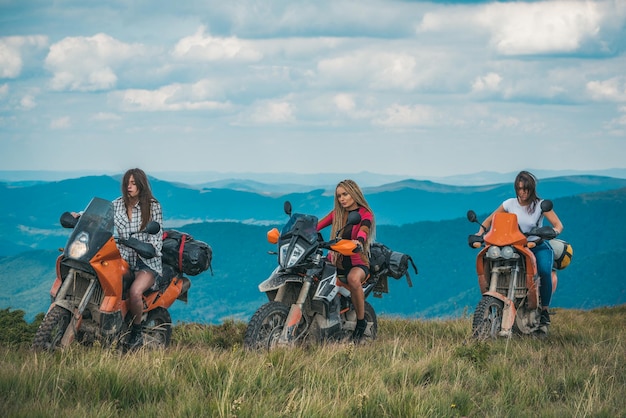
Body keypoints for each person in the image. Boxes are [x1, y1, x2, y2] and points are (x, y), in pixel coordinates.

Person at [72, 168, 163, 349]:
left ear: (141, 184)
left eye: (134, 183)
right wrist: (80, 216)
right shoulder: (118, 204)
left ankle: (136, 332)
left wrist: (140, 246)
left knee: (135, 292)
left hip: (146, 262)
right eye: (127, 183)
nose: (129, 187)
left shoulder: (153, 206)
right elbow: (100, 216)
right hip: (121, 258)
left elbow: (156, 242)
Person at [475, 170, 563, 334]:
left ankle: (544, 311)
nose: (522, 192)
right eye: (519, 188)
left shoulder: (540, 205)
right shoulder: (509, 204)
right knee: (489, 260)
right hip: (513, 247)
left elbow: (558, 225)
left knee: (543, 270)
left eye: (526, 189)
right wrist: (479, 234)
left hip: (536, 245)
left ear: (532, 188)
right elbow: (490, 220)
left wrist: (553, 232)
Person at [317, 179, 375, 342]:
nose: (342, 199)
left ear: (354, 193)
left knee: (353, 279)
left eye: (345, 194)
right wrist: (300, 232)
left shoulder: (365, 214)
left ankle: (361, 322)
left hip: (357, 262)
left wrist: (359, 241)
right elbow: (318, 225)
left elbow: (364, 229)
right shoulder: (337, 213)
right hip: (336, 261)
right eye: (339, 196)